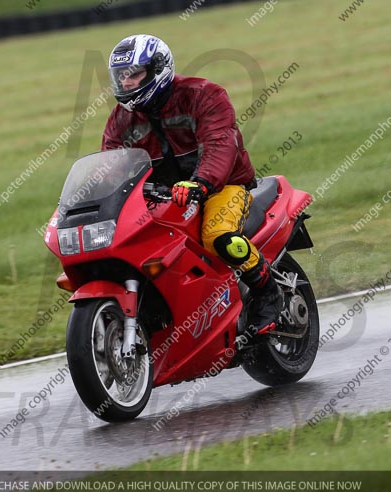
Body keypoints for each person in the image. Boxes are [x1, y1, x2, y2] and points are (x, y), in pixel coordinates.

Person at [101, 34, 282, 334]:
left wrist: (201, 183)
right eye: (122, 77)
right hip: (160, 199)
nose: (128, 83)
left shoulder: (203, 95)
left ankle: (267, 291)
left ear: (158, 69)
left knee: (218, 236)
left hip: (221, 187)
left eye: (134, 74)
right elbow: (109, 166)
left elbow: (220, 144)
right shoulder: (121, 119)